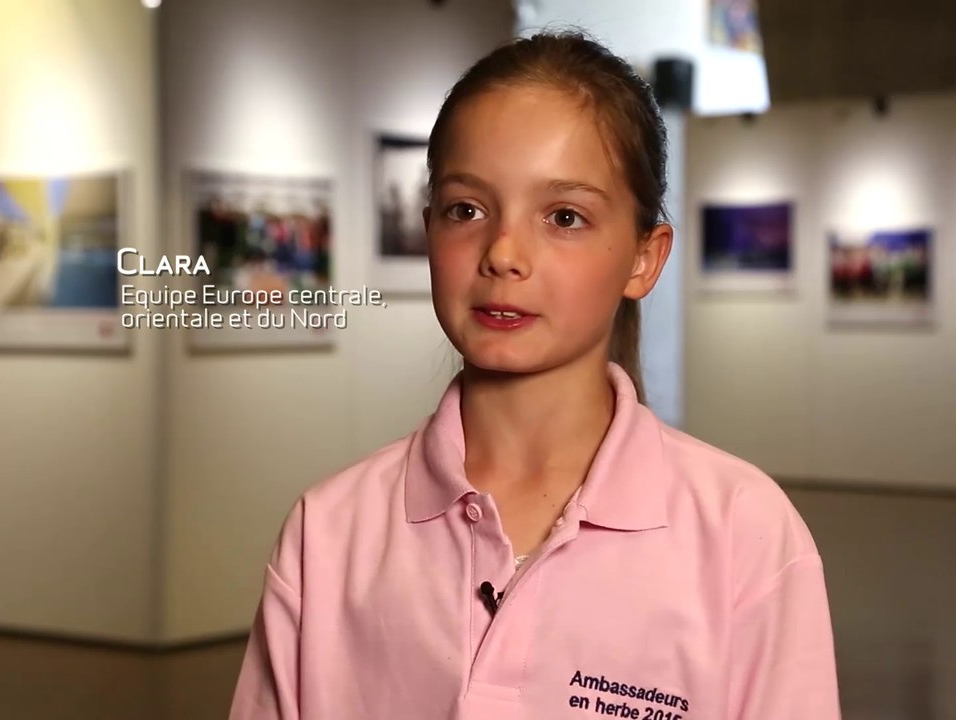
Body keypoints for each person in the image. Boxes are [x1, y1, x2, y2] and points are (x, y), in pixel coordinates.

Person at [229, 31, 840, 720]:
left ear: (645, 257)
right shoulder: (329, 532)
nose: (504, 253)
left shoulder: (743, 533)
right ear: (428, 229)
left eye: (564, 217)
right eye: (467, 210)